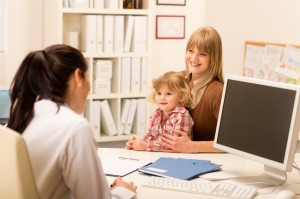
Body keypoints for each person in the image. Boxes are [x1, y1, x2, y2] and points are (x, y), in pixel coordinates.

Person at [7, 44, 137, 199]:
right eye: (88, 76)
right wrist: (122, 191)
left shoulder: (22, 116)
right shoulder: (74, 127)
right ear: (78, 76)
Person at [160, 26, 224, 153]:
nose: (193, 58)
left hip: (205, 160)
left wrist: (191, 146)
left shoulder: (217, 92)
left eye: (202, 54)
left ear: (213, 58)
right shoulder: (179, 79)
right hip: (174, 154)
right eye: (190, 51)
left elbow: (230, 142)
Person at [125, 71, 194, 151]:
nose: (162, 98)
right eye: (159, 93)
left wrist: (146, 145)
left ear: (181, 97)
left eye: (168, 94)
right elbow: (151, 135)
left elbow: (175, 145)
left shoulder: (182, 115)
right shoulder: (157, 113)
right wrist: (136, 144)